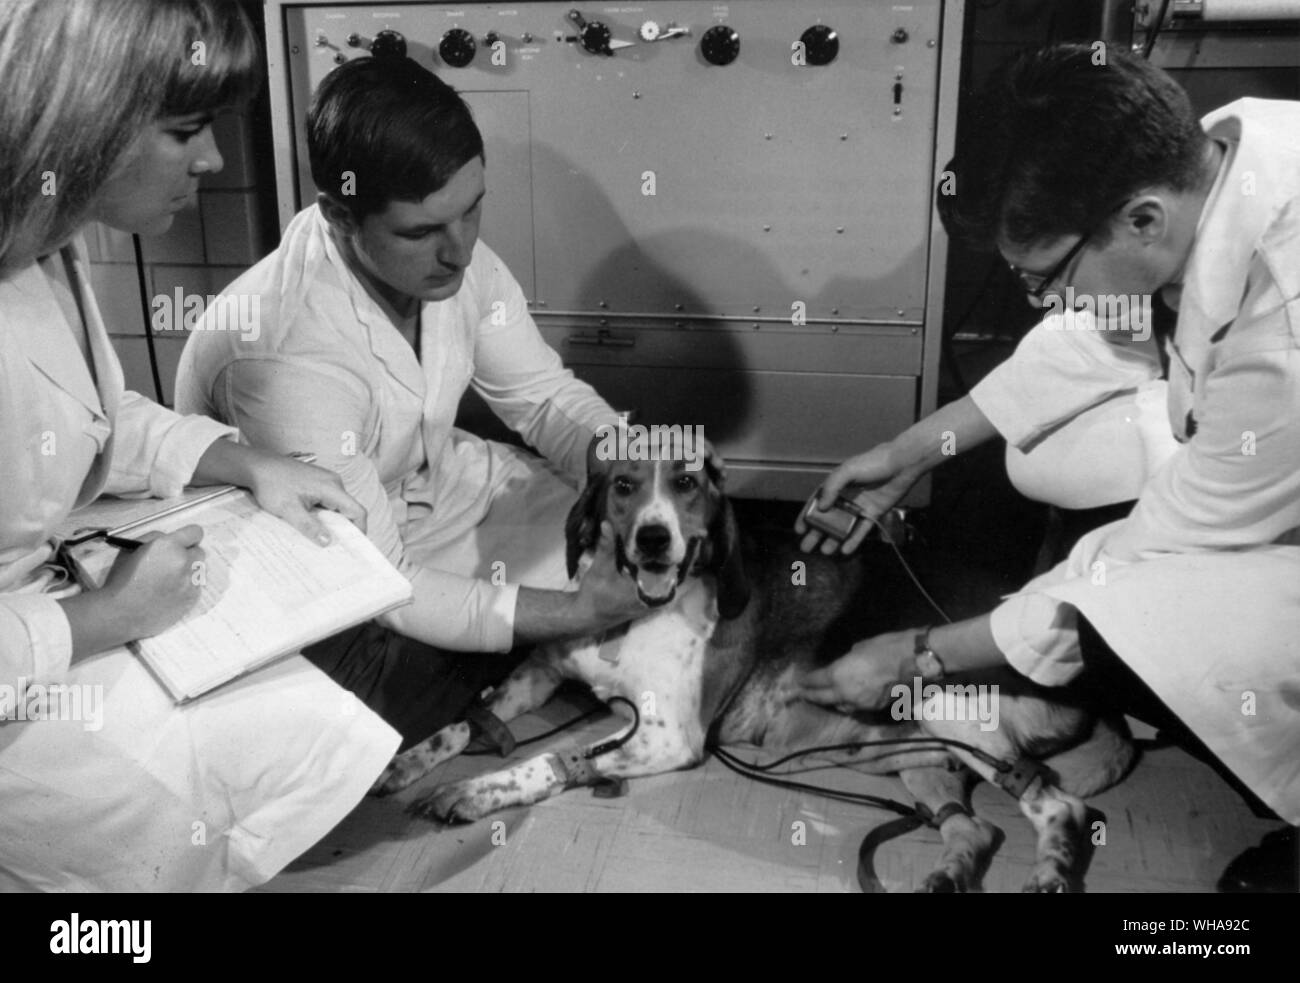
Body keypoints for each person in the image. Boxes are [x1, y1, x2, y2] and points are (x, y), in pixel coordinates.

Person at [796, 44, 1299, 890]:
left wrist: (918, 655)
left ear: (1140, 221)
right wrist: (906, 454)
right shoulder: (1213, 166)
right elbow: (1091, 336)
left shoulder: (1286, 321)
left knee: (1157, 615)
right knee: (1054, 476)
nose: (1049, 301)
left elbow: (1168, 548)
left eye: (1046, 277)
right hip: (1262, 459)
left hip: (1256, 487)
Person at [0, 0, 408, 891]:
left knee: (309, 714)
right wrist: (100, 619)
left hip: (46, 614)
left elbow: (100, 414)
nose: (215, 159)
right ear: (81, 120)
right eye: (185, 129)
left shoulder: (41, 247)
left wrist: (246, 460)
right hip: (24, 661)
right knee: (169, 818)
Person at [175, 56, 645, 750]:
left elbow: (543, 399)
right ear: (339, 214)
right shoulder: (285, 356)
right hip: (316, 547)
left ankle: (513, 639)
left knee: (618, 539)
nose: (460, 251)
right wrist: (574, 609)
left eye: (473, 208)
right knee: (376, 706)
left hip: (428, 487)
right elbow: (384, 573)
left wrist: (635, 467)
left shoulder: (454, 257)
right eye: (421, 232)